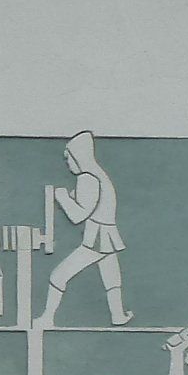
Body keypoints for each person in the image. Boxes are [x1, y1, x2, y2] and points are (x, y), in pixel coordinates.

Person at [40, 129, 131, 327]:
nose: (67, 163)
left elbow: (78, 216)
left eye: (69, 159)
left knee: (58, 275)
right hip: (107, 235)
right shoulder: (99, 175)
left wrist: (62, 197)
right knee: (111, 279)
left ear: (78, 157)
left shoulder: (87, 178)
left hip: (98, 238)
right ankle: (117, 316)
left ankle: (47, 318)